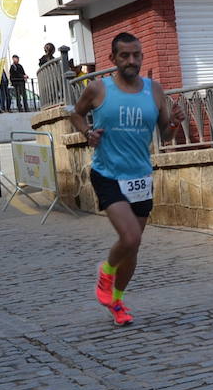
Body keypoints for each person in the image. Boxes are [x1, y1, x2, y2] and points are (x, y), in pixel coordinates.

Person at [69, 32, 185, 326]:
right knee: (130, 236)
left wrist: (174, 123)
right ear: (113, 59)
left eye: (136, 55)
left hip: (141, 177)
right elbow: (76, 115)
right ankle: (106, 272)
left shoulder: (154, 90)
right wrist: (87, 133)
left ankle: (117, 300)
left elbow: (166, 136)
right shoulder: (98, 89)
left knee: (133, 246)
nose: (131, 61)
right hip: (108, 174)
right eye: (125, 55)